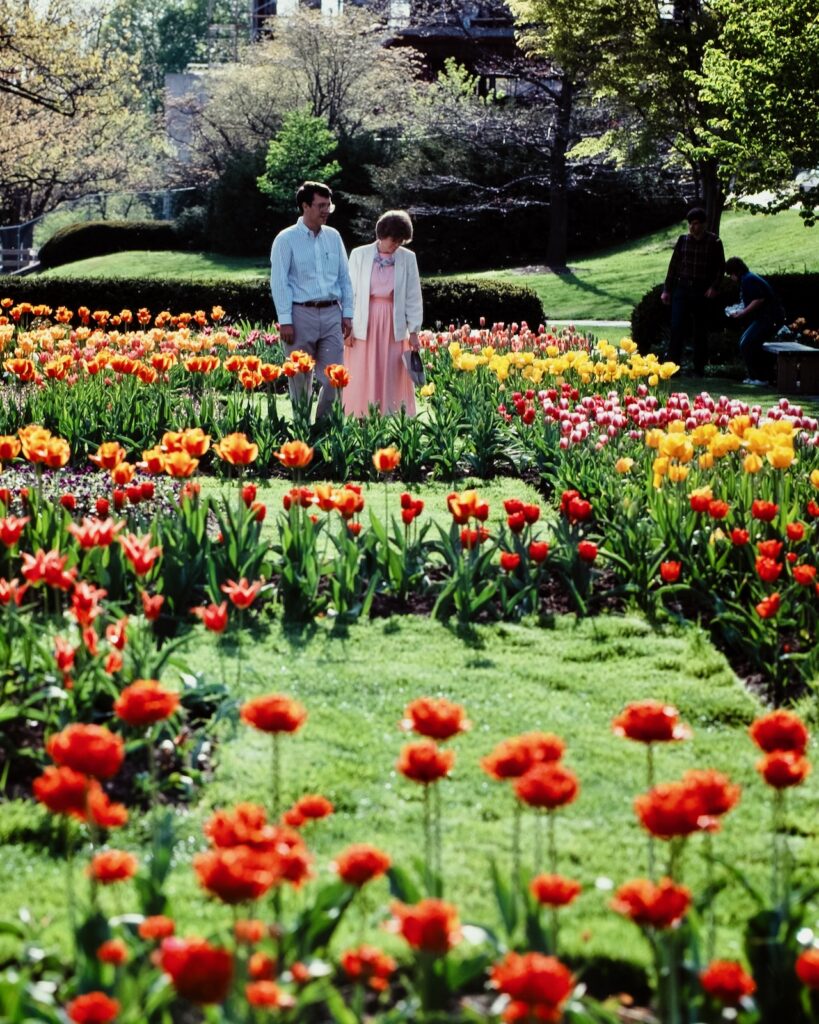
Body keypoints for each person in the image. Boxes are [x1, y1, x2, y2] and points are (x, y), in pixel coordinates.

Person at [270, 181, 354, 419]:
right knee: (299, 379)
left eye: (328, 205)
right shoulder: (285, 239)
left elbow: (344, 278)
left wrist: (347, 313)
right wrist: (285, 320)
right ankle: (301, 429)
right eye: (321, 206)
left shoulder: (334, 236)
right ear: (305, 206)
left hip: (331, 314)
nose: (326, 210)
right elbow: (279, 282)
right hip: (299, 315)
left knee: (334, 378)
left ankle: (323, 427)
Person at [344, 209, 424, 418]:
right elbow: (348, 292)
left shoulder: (408, 258)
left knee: (391, 372)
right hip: (364, 322)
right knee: (362, 371)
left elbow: (413, 296)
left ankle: (392, 415)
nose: (397, 244)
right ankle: (362, 415)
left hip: (392, 323)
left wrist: (414, 331)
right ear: (381, 235)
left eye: (401, 240)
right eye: (394, 239)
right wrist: (347, 327)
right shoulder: (359, 255)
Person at [661, 207, 725, 375]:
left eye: (697, 224)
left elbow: (720, 268)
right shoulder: (683, 240)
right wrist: (667, 290)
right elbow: (673, 266)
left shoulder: (714, 242)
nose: (694, 227)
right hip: (682, 288)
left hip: (701, 289)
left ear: (704, 224)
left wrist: (714, 287)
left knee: (700, 330)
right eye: (691, 224)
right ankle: (673, 367)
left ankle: (699, 368)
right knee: (677, 327)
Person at [725, 256, 784, 385]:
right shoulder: (747, 279)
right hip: (763, 318)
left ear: (736, 272)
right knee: (744, 342)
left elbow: (759, 299)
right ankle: (757, 376)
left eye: (731, 274)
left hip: (769, 318)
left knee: (747, 343)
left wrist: (742, 313)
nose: (731, 278)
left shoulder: (748, 280)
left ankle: (761, 377)